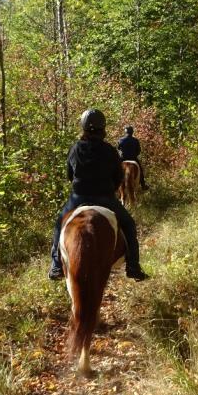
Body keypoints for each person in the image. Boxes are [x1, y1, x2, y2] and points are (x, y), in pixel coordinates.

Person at [48, 109, 149, 282]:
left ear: (84, 127)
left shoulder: (75, 149)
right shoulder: (109, 150)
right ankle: (133, 266)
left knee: (59, 223)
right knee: (129, 225)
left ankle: (56, 266)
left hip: (78, 197)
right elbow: (118, 177)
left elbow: (69, 175)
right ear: (103, 127)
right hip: (105, 198)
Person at [117, 125, 149, 190]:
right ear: (132, 132)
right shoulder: (136, 140)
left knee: (115, 169)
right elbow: (138, 150)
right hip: (133, 158)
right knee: (140, 170)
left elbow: (118, 148)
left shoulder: (120, 140)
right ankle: (143, 185)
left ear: (126, 132)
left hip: (123, 158)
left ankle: (114, 185)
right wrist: (134, 155)